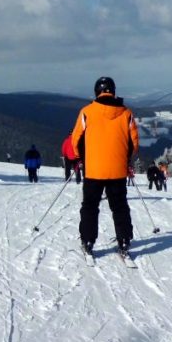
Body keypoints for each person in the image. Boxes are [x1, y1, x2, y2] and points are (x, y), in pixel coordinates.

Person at [71, 76, 140, 258]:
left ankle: (88, 241)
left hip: (93, 170)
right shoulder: (126, 113)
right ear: (113, 91)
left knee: (90, 206)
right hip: (117, 171)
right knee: (119, 206)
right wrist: (126, 159)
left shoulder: (87, 112)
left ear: (97, 92)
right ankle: (124, 240)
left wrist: (80, 158)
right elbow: (134, 142)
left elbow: (76, 140)